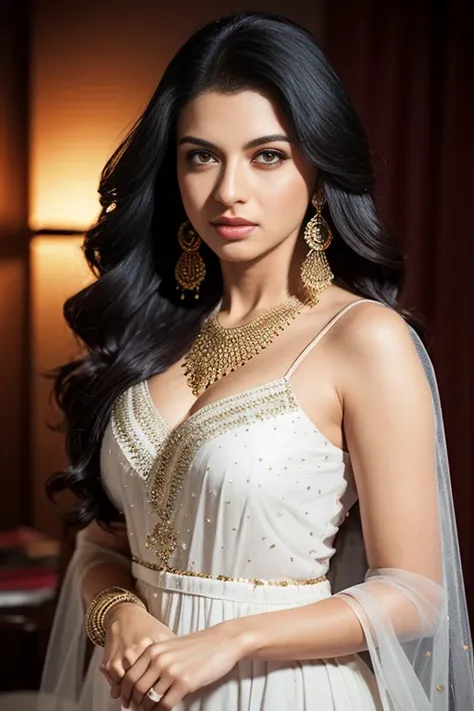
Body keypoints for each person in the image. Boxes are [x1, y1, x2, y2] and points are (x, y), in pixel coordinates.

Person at [38, 10, 473, 711]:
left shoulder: (364, 339)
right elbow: (100, 543)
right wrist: (117, 614)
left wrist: (232, 638)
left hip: (283, 693)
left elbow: (414, 591)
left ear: (320, 172)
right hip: (128, 692)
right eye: (200, 155)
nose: (227, 190)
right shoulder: (147, 330)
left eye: (267, 154)